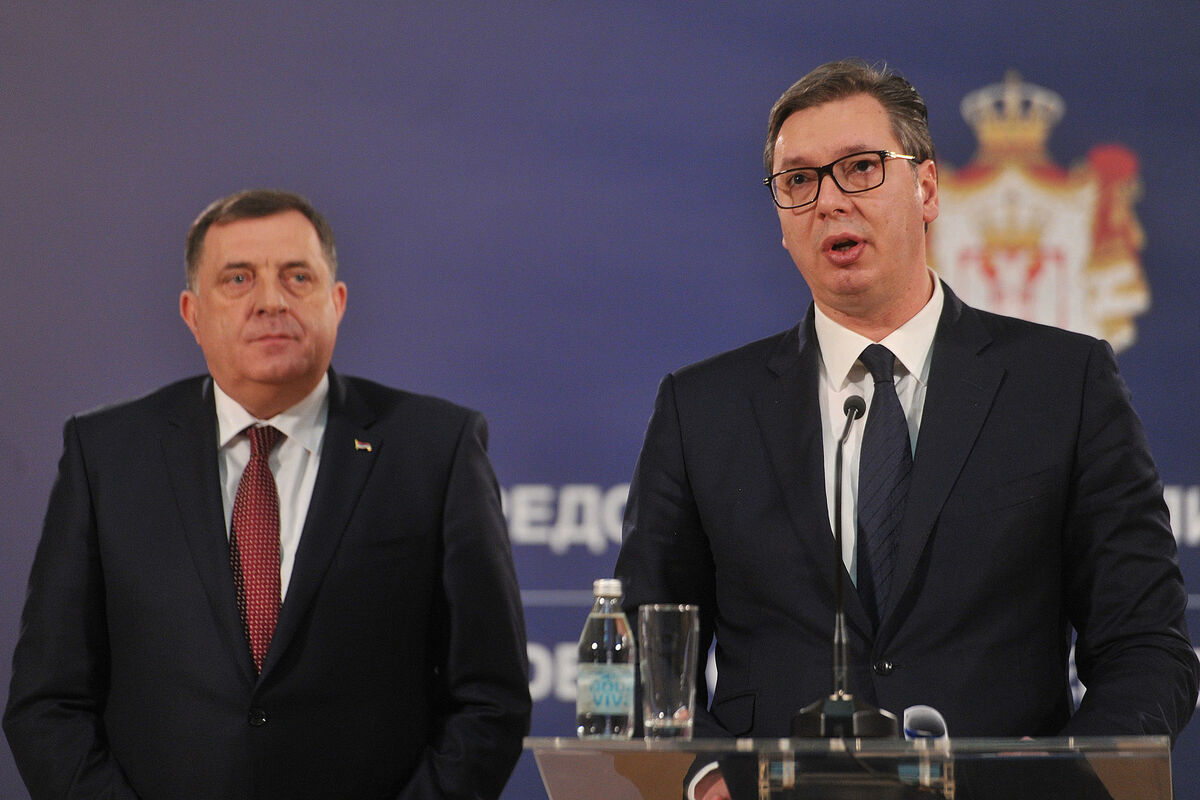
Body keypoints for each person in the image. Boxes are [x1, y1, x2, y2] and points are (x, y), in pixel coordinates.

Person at [614, 60, 1198, 799]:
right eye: (799, 180)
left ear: (926, 188)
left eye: (860, 168)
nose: (829, 200)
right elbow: (642, 647)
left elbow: (1146, 644)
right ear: (782, 220)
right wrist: (701, 776)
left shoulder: (1063, 385)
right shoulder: (703, 409)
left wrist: (1070, 773)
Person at [4, 190, 531, 799]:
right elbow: (48, 702)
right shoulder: (106, 455)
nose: (271, 301)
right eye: (238, 279)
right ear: (192, 313)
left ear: (337, 302)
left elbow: (490, 697)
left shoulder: (434, 449)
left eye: (297, 276)